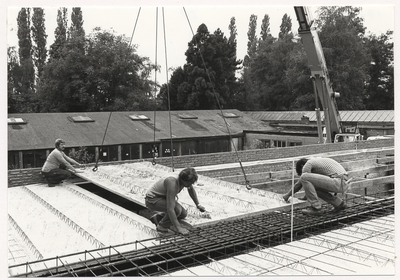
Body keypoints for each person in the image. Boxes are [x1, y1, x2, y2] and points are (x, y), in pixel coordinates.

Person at [145, 167, 206, 234]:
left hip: (163, 198)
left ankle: (158, 218)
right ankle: (161, 226)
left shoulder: (184, 179)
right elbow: (170, 209)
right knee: (176, 210)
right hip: (152, 200)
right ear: (184, 180)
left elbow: (191, 189)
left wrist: (198, 205)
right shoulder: (172, 183)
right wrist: (179, 228)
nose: (190, 185)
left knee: (183, 214)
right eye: (190, 183)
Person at [282, 157, 349, 216]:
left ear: (302, 166)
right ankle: (339, 204)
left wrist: (287, 195)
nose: (302, 172)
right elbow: (311, 187)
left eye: (301, 171)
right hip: (343, 182)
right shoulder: (317, 163)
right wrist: (305, 197)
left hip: (338, 181)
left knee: (304, 177)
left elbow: (300, 183)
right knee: (315, 188)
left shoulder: (308, 164)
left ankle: (316, 208)